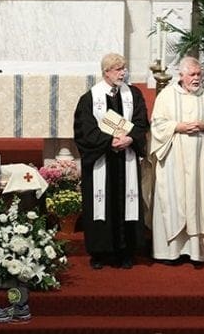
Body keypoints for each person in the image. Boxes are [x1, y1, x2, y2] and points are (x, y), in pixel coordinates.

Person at [73, 53, 149, 269]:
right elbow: (84, 131)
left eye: (123, 68)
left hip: (127, 159)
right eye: (117, 69)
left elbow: (142, 122)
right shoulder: (90, 98)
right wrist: (109, 142)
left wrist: (130, 138)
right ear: (106, 72)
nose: (122, 72)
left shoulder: (133, 94)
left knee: (128, 202)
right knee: (101, 204)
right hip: (102, 161)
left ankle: (126, 251)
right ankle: (99, 252)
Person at [150, 57, 204, 264]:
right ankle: (170, 252)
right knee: (173, 201)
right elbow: (156, 125)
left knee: (197, 200)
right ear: (181, 76)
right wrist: (177, 127)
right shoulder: (166, 96)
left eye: (199, 74)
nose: (196, 78)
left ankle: (195, 252)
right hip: (173, 160)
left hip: (200, 161)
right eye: (192, 74)